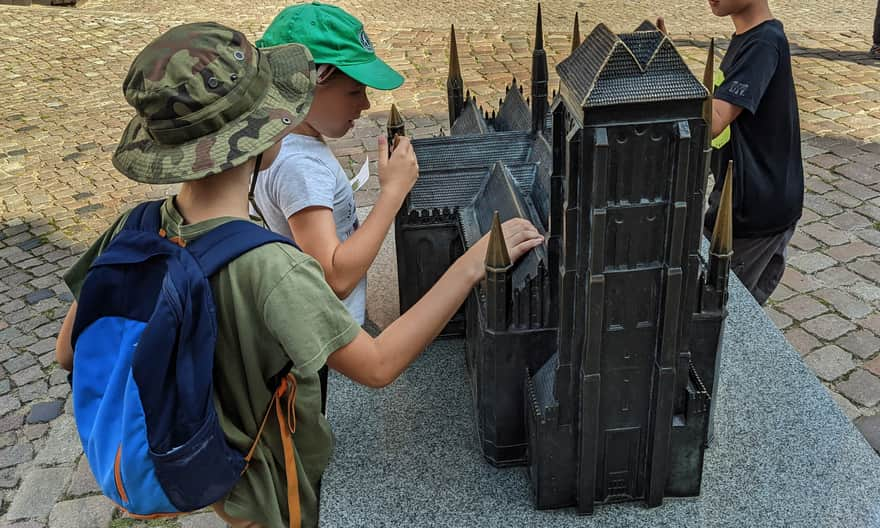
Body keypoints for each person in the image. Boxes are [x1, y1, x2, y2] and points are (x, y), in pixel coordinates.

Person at [54, 22, 543, 528]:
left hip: (203, 455)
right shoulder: (271, 267)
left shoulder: (131, 227)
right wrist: (469, 267)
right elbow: (377, 366)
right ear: (257, 134)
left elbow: (67, 350)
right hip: (264, 488)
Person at [252, 2, 413, 326]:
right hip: (327, 335)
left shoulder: (282, 142)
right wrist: (392, 195)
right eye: (354, 91)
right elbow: (335, 278)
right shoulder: (301, 167)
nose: (365, 103)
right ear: (308, 84)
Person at [660, 0, 804, 305]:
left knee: (720, 312)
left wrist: (669, 70)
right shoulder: (749, 39)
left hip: (754, 210)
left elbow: (711, 122)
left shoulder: (764, 43)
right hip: (739, 199)